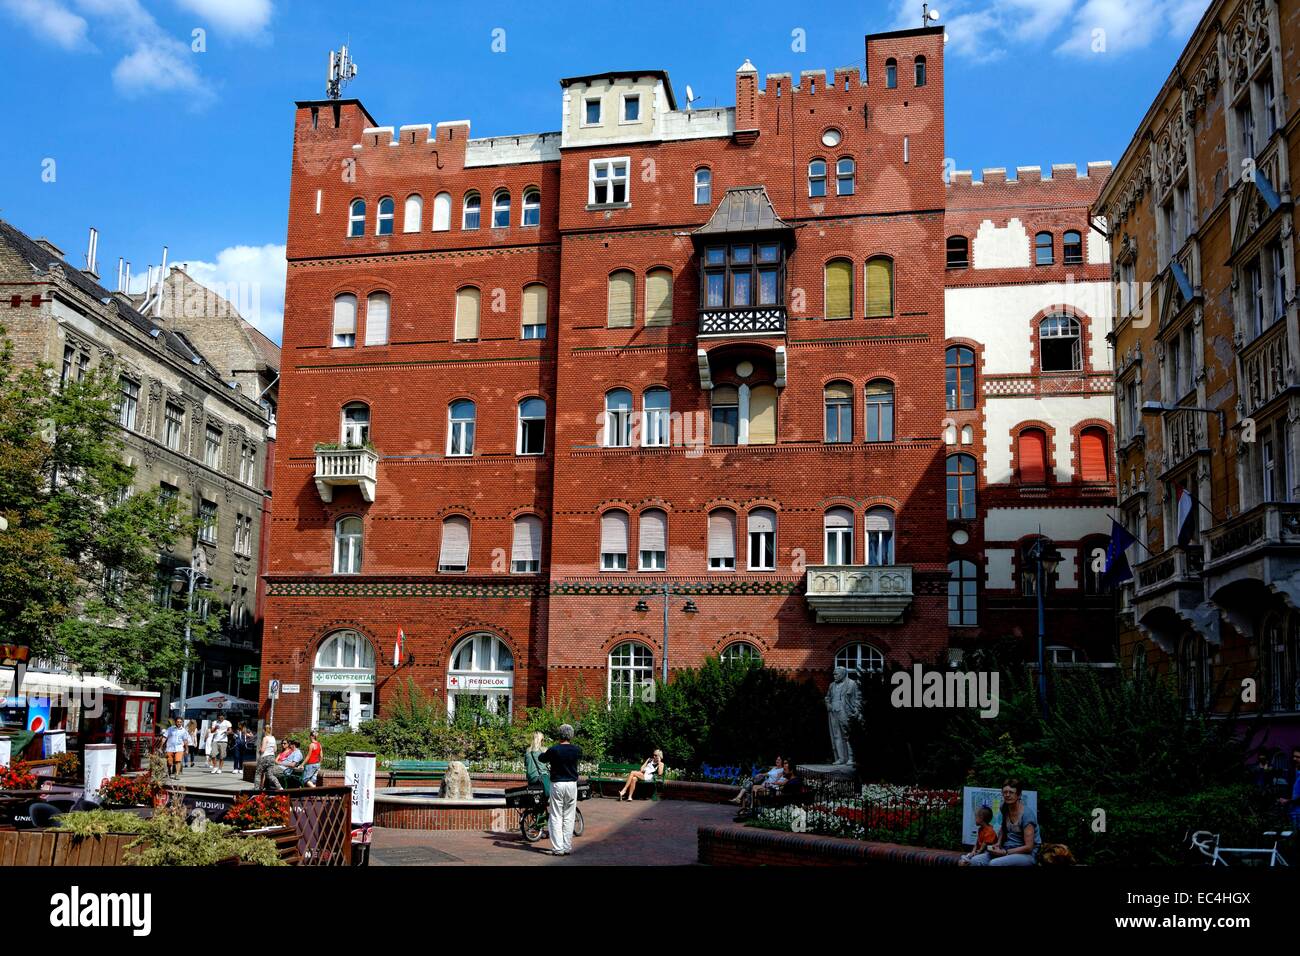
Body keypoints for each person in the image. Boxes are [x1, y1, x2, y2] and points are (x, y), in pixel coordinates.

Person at [967, 780, 1039, 867]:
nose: (1007, 795)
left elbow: (1029, 847)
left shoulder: (1027, 815)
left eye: (1011, 792)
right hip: (1006, 848)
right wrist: (998, 844)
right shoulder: (1004, 807)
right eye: (1005, 792)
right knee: (975, 860)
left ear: (1019, 795)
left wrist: (1005, 852)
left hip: (1026, 854)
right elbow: (1003, 827)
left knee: (994, 864)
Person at [538, 723, 581, 856]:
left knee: (556, 816)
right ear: (571, 735)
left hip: (557, 784)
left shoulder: (554, 749)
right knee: (569, 816)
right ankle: (567, 846)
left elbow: (542, 759)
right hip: (572, 784)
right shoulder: (577, 749)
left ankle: (558, 848)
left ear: (560, 735)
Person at [524, 731, 552, 800]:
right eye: (543, 740)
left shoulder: (527, 751)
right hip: (541, 779)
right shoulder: (544, 750)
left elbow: (525, 765)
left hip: (531, 779)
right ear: (541, 740)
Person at [1279, 746, 1300, 828]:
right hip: (1292, 810)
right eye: (1294, 756)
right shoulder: (1292, 772)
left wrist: (1289, 800)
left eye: (1298, 757)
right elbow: (1289, 789)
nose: (1294, 759)